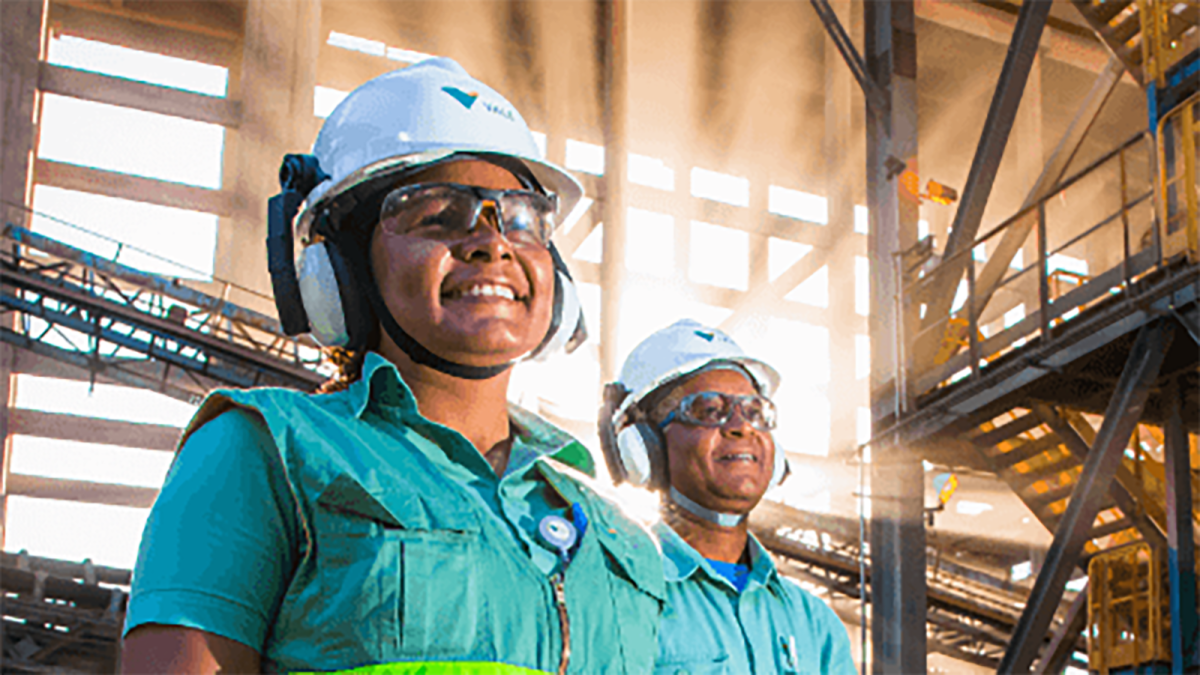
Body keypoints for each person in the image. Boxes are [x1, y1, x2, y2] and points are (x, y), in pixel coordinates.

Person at [122, 58, 663, 674]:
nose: (493, 242)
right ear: (340, 267)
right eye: (436, 213)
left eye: (520, 217)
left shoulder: (616, 527)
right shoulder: (263, 450)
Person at [599, 319, 856, 674]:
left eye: (755, 412)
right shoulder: (617, 597)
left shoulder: (815, 625)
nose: (743, 426)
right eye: (708, 409)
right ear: (644, 446)